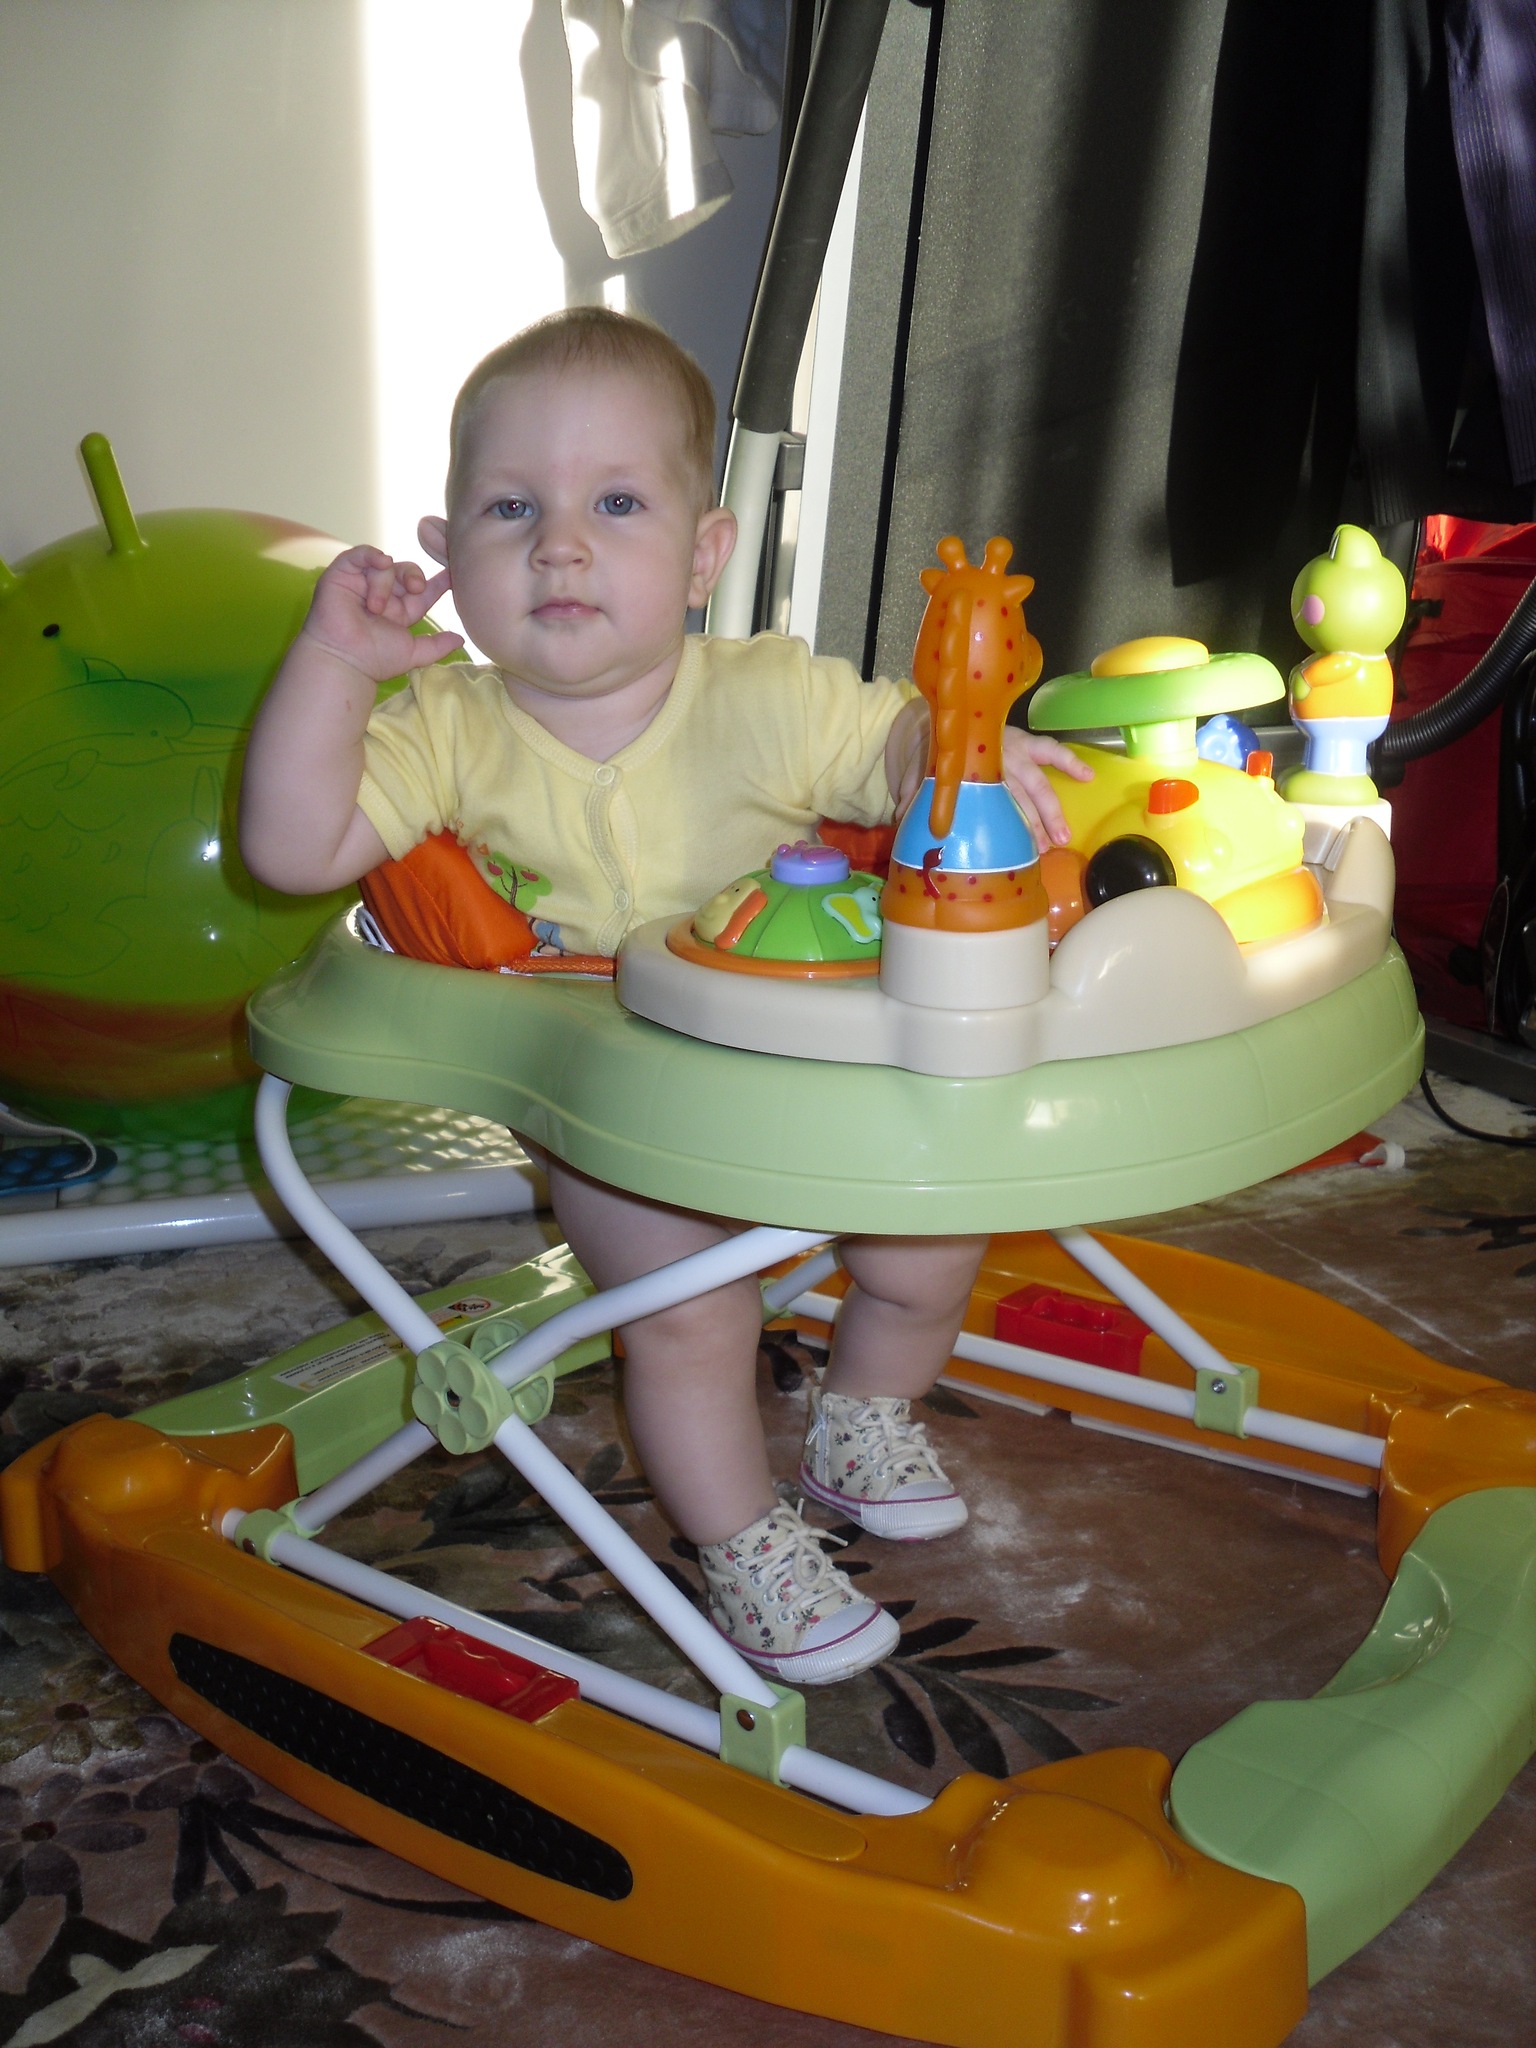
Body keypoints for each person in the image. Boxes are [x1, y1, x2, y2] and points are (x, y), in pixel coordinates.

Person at [240, 307, 1089, 1685]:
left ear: (704, 555)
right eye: (513, 509)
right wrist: (336, 666)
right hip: (603, 1097)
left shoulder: (768, 694)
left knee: (935, 1242)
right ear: (448, 555)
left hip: (806, 1062)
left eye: (617, 504)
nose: (560, 545)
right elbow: (291, 848)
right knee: (691, 1315)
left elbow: (893, 746)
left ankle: (864, 1417)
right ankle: (740, 1539)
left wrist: (953, 749)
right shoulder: (444, 730)